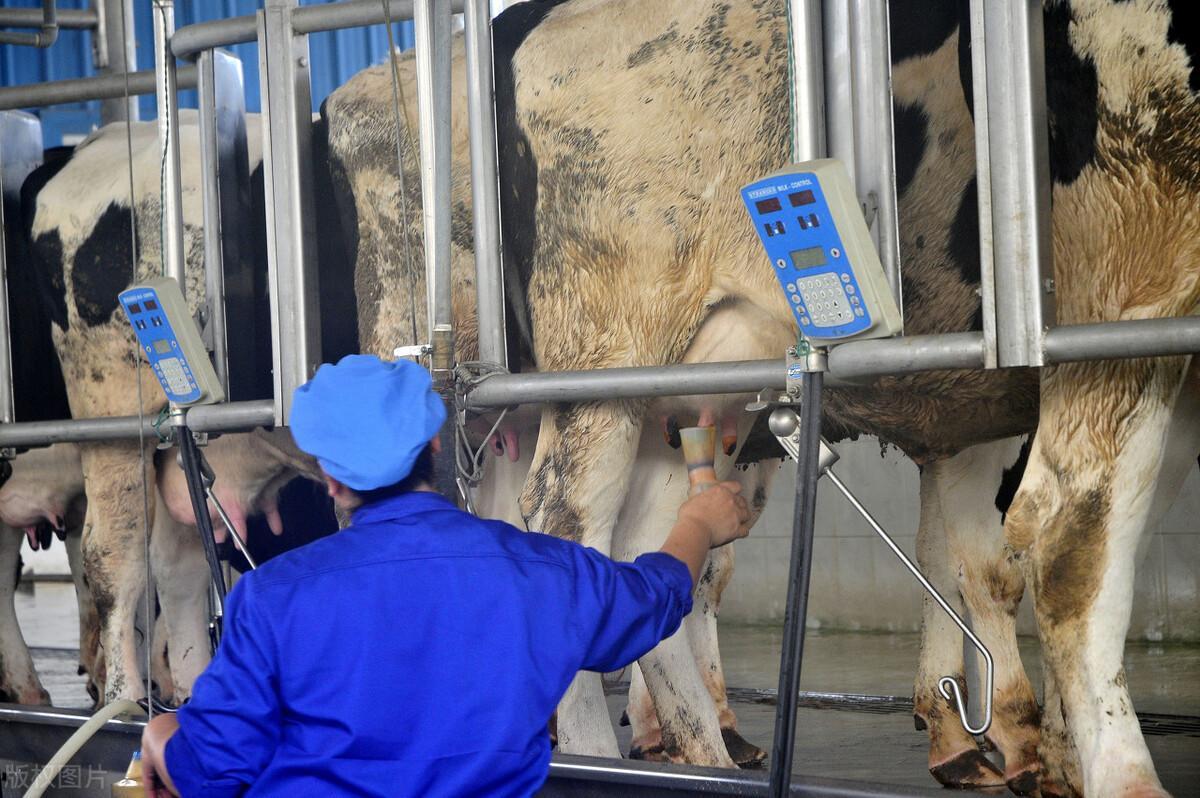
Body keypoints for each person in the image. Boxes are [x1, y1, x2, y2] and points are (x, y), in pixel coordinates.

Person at [140, 354, 752, 797]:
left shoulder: (270, 598)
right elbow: (653, 598)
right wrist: (698, 522)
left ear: (330, 480)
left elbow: (213, 772)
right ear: (435, 447)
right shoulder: (537, 572)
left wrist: (162, 737)